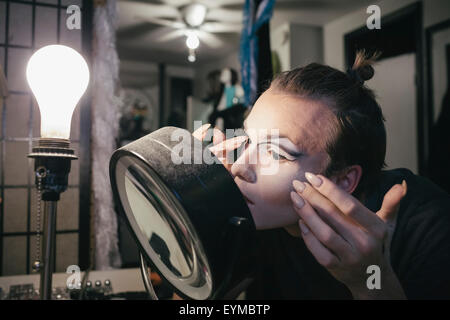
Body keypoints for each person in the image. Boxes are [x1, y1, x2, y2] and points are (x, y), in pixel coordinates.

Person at [193, 51, 450, 299]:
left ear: (343, 180)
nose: (238, 168)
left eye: (275, 153)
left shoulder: (429, 226)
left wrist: (370, 284)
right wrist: (198, 220)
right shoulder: (254, 214)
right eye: (247, 140)